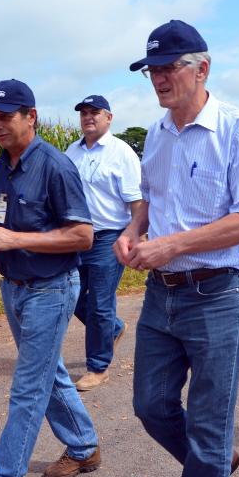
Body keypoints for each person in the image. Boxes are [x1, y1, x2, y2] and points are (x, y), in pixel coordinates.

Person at [115, 19, 239, 477]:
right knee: (150, 405)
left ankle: (211, 460)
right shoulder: (157, 134)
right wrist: (133, 229)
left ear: (202, 69)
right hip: (162, 294)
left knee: (208, 423)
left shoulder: (237, 130)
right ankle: (216, 461)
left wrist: (171, 245)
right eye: (151, 71)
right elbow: (149, 197)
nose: (159, 79)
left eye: (168, 68)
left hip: (218, 294)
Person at [0, 79, 101, 477]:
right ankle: (83, 446)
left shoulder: (55, 166)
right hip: (13, 288)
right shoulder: (0, 168)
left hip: (51, 288)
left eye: (6, 117)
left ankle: (6, 473)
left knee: (28, 387)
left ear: (31, 116)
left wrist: (15, 238)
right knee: (51, 373)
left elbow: (83, 235)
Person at [65, 94, 143, 391]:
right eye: (83, 113)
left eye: (95, 112)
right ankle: (113, 328)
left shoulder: (121, 153)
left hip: (109, 236)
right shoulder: (71, 152)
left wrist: (136, 237)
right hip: (76, 236)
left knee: (99, 301)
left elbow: (136, 201)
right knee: (71, 296)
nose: (88, 117)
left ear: (109, 118)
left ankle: (97, 366)